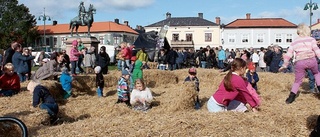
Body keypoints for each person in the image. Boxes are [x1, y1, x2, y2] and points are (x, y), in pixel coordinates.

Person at [279, 23, 320, 104]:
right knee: (316, 74)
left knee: (297, 81)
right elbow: (317, 51)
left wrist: (285, 65)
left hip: (300, 61)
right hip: (311, 60)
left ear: (299, 32)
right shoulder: (311, 39)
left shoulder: (295, 41)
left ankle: (291, 98)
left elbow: (289, 54)